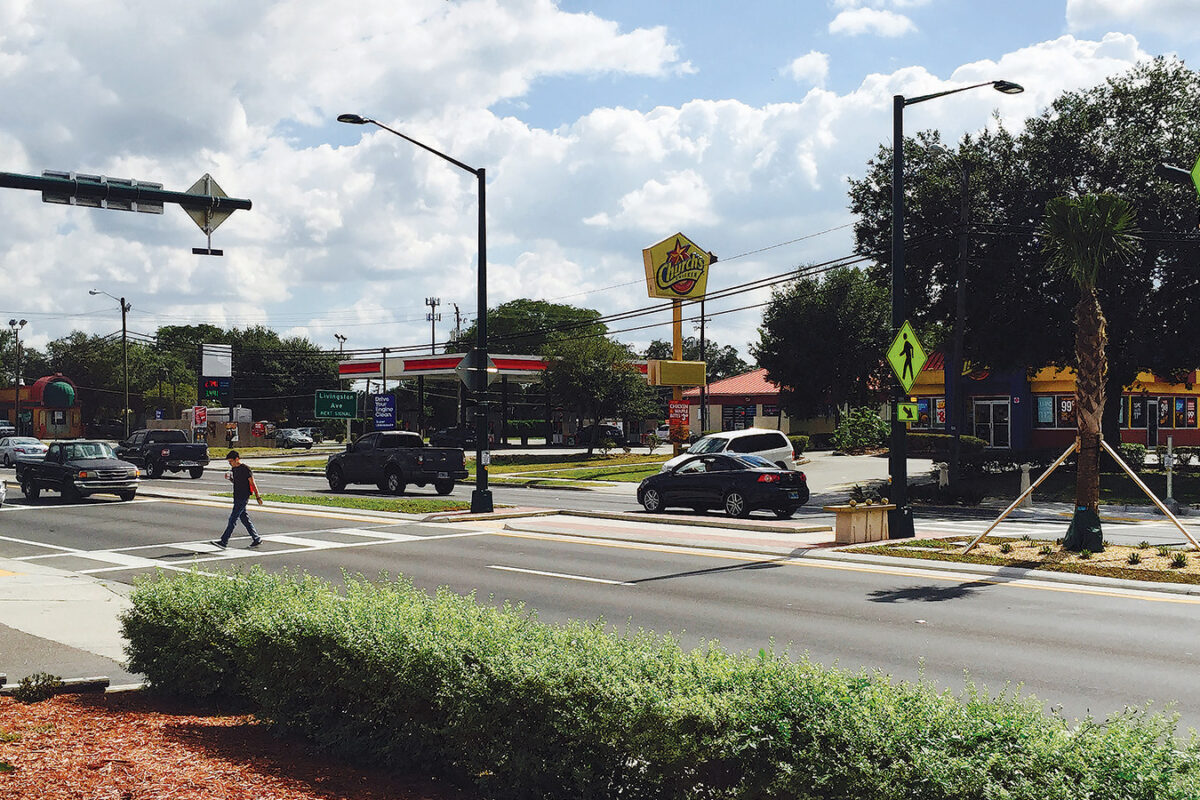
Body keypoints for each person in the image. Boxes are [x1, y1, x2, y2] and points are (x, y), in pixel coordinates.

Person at [210, 450, 263, 548]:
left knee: (233, 519)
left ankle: (224, 541)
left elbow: (252, 483)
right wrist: (230, 479)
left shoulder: (245, 469)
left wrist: (258, 496)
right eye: (229, 462)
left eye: (231, 461)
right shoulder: (234, 469)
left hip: (243, 497)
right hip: (237, 496)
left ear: (237, 459)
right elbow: (237, 482)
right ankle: (256, 538)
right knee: (244, 518)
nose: (230, 464)